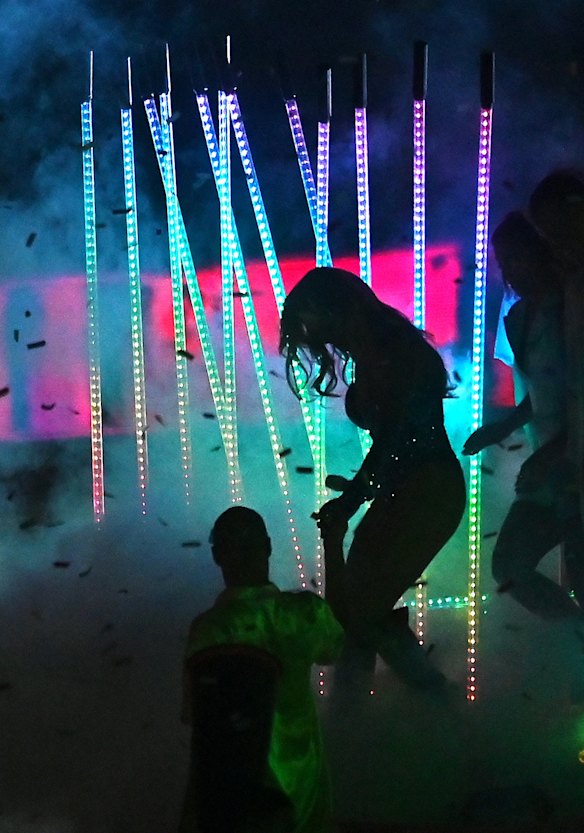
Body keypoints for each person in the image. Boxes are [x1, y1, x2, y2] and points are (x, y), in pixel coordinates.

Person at [279, 266, 466, 688]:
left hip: (428, 488)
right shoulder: (379, 352)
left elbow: (397, 437)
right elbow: (396, 442)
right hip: (409, 487)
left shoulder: (393, 352)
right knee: (362, 613)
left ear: (335, 311)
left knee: (363, 613)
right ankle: (380, 719)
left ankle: (428, 711)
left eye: (314, 323)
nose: (315, 337)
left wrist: (354, 498)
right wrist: (364, 489)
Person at [179, 506, 344, 833]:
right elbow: (339, 642)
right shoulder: (304, 614)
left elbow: (195, 717)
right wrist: (333, 543)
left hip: (230, 802)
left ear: (216, 556)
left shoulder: (207, 629)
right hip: (302, 793)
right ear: (268, 547)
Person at [463, 211, 584, 619]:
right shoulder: (519, 318)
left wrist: (551, 454)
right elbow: (546, 390)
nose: (511, 270)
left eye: (518, 256)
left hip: (568, 466)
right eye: (503, 261)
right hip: (553, 470)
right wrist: (507, 425)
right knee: (510, 566)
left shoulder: (575, 307)